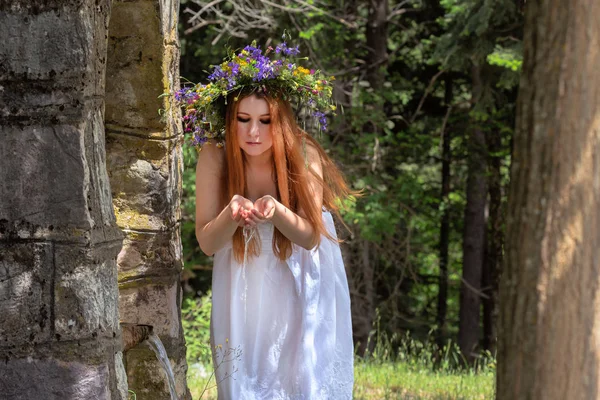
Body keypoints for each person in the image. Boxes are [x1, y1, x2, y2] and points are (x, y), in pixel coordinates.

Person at [180, 40, 354, 399]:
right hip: (243, 274)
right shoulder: (215, 156)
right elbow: (208, 243)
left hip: (300, 271)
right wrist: (231, 214)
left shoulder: (302, 153)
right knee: (248, 375)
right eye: (243, 120)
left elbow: (309, 237)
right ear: (230, 119)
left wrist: (276, 211)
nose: (253, 132)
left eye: (265, 121)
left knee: (298, 373)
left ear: (281, 121)